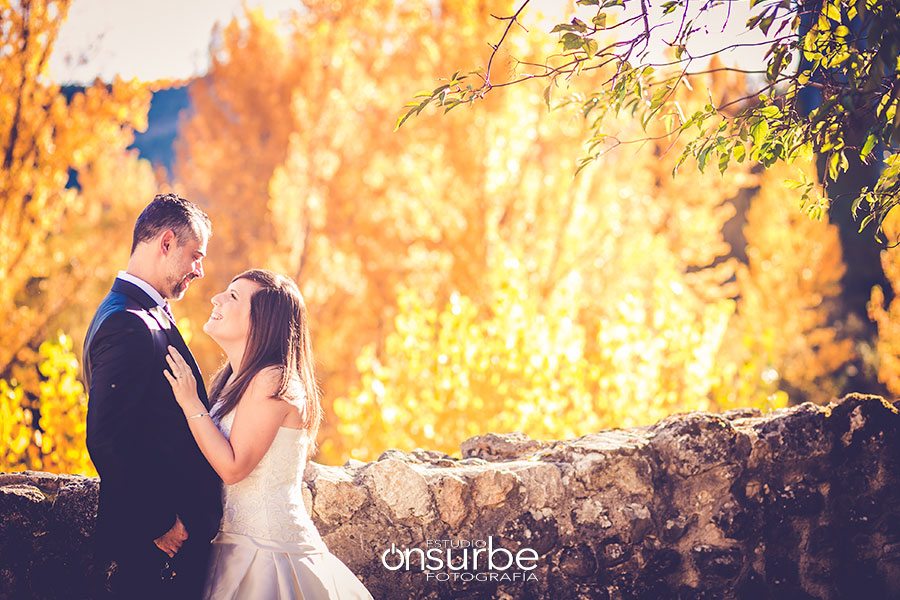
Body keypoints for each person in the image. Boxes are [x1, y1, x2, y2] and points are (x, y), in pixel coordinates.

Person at [164, 268, 373, 599]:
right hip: (230, 545)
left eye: (232, 296)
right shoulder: (234, 379)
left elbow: (233, 468)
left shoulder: (274, 379)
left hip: (268, 554)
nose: (215, 298)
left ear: (261, 322)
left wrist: (190, 402)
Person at [83, 193, 223, 599]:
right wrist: (160, 523)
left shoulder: (138, 311)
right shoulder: (127, 322)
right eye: (196, 255)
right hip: (154, 549)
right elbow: (107, 438)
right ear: (165, 243)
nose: (199, 270)